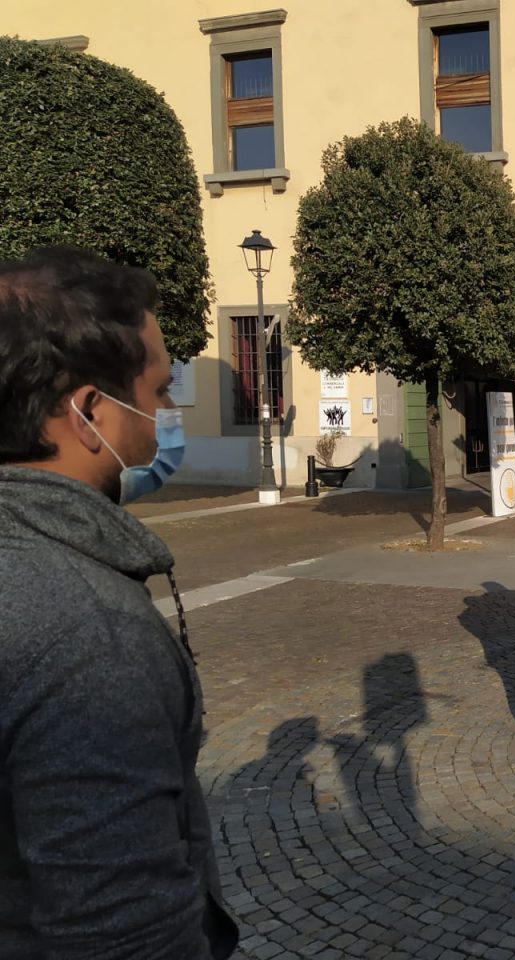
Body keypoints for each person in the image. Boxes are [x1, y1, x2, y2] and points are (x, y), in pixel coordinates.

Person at [0, 248, 238, 957]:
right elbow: (122, 930)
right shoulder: (87, 636)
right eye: (160, 391)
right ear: (90, 412)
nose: (166, 414)